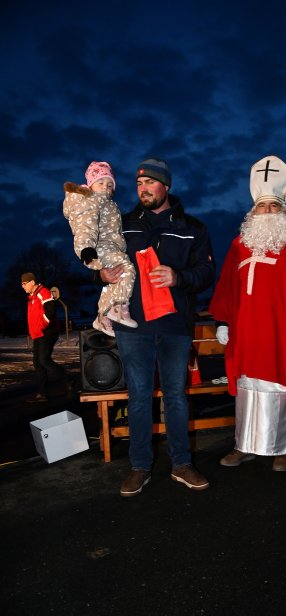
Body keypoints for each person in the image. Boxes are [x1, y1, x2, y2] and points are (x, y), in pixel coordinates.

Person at [208, 155, 286, 472]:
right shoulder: (239, 245)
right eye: (262, 206)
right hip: (247, 332)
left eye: (273, 206)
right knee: (249, 387)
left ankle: (284, 448)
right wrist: (223, 320)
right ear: (252, 212)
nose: (267, 211)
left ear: (284, 211)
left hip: (283, 332)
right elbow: (227, 288)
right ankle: (245, 445)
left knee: (281, 384)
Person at [100, 158, 215, 496]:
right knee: (137, 398)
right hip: (133, 326)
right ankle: (140, 467)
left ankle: (181, 464)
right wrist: (100, 274)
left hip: (175, 325)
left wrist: (178, 277)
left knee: (176, 397)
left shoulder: (192, 226)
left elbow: (207, 273)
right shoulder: (121, 225)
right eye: (138, 184)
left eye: (150, 182)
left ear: (166, 186)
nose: (143, 189)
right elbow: (100, 257)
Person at [63, 161, 137, 337]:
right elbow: (84, 226)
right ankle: (119, 306)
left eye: (109, 184)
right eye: (100, 183)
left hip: (108, 246)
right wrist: (86, 248)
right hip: (100, 248)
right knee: (127, 269)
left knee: (113, 281)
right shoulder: (91, 200)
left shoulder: (108, 203)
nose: (106, 187)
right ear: (91, 185)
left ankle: (103, 318)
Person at [21, 272, 66, 402]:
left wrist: (42, 325)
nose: (22, 286)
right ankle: (41, 394)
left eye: (24, 283)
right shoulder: (31, 296)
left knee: (44, 361)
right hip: (38, 334)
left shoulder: (43, 292)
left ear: (32, 282)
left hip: (47, 332)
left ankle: (68, 380)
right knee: (38, 363)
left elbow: (50, 312)